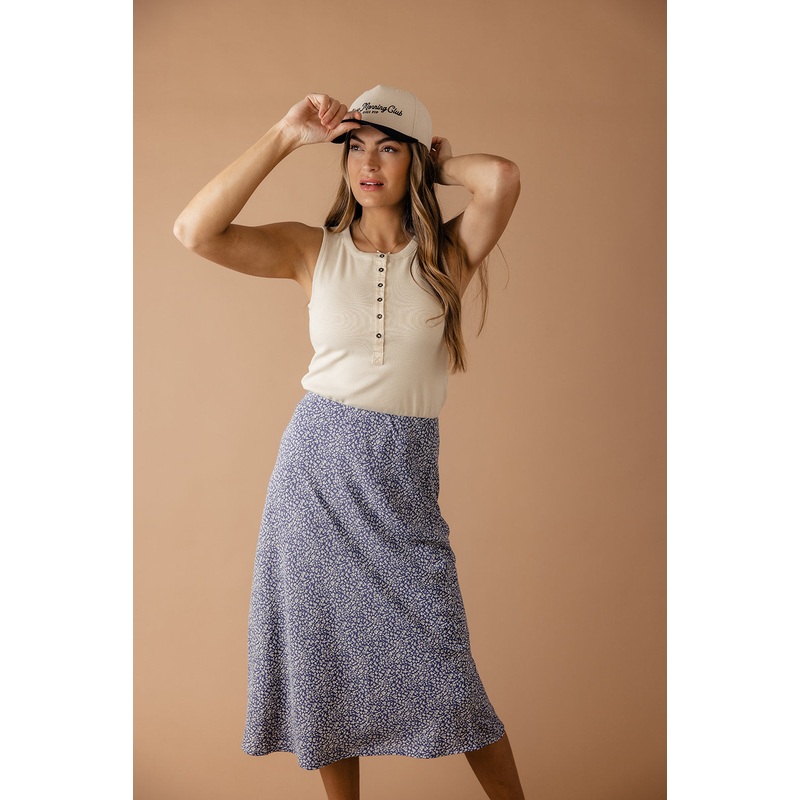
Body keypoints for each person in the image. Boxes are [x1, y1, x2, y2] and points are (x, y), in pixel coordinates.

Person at [173, 85, 524, 800]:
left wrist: (437, 163)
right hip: (314, 478)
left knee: (451, 674)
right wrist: (284, 135)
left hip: (402, 482)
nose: (368, 163)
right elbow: (194, 230)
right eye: (355, 147)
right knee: (324, 665)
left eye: (388, 148)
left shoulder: (448, 254)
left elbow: (501, 179)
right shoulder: (313, 250)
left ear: (414, 161)